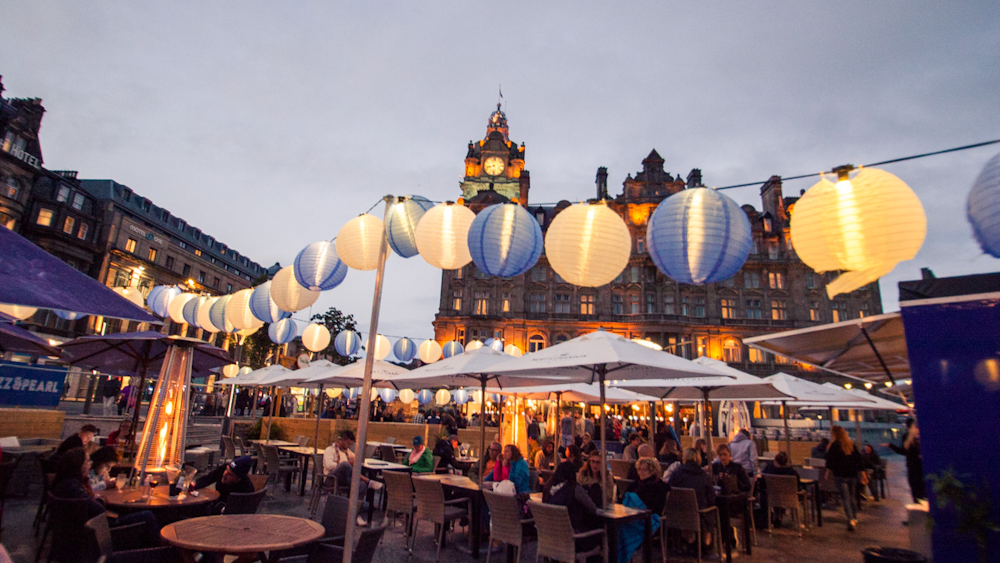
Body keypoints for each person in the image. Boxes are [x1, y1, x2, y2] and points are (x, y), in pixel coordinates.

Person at [51, 448, 159, 551]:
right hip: (97, 533)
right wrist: (101, 501)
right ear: (78, 465)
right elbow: (98, 510)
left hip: (85, 529)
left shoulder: (66, 483)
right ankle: (156, 552)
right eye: (87, 461)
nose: (90, 464)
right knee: (148, 515)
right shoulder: (73, 487)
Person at [323, 430, 381, 524]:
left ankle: (356, 514)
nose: (348, 446)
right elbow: (329, 465)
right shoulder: (330, 450)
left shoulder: (347, 452)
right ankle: (367, 481)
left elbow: (356, 460)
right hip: (330, 479)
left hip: (344, 480)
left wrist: (356, 459)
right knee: (345, 465)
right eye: (347, 443)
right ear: (341, 440)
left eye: (350, 444)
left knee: (361, 485)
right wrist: (346, 463)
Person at [667, 448, 716, 551]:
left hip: (676, 514)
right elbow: (711, 497)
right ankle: (706, 540)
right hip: (699, 513)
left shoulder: (676, 474)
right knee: (711, 510)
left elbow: (669, 489)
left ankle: (688, 538)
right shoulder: (703, 476)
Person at [543, 462, 601, 547]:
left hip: (552, 538)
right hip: (573, 539)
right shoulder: (574, 489)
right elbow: (593, 508)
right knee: (599, 530)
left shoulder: (548, 488)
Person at [825, 425, 864, 531]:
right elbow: (859, 459)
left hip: (840, 475)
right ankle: (855, 518)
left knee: (845, 498)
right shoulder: (851, 444)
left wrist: (828, 472)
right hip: (852, 475)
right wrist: (862, 473)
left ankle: (850, 519)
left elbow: (830, 461)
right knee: (852, 497)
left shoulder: (834, 446)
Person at [884, 419, 925, 502]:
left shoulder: (920, 436)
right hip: (913, 466)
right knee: (915, 488)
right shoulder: (906, 437)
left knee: (921, 488)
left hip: (920, 466)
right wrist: (891, 446)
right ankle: (917, 503)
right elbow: (903, 451)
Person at [761, 452, 800, 528]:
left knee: (765, 493)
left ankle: (768, 517)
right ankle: (779, 515)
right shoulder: (792, 473)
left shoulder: (769, 469)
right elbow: (798, 485)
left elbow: (762, 482)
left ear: (775, 462)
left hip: (772, 497)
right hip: (789, 498)